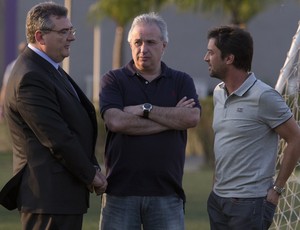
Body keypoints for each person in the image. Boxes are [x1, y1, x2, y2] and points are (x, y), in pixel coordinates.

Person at [3, 2, 107, 229]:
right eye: (63, 32)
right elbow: (57, 137)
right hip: (47, 199)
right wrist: (91, 175)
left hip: (59, 197)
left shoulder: (47, 68)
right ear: (40, 36)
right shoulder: (31, 76)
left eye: (71, 30)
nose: (71, 38)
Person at [99, 12, 201, 230]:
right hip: (120, 194)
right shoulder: (113, 79)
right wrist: (172, 118)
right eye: (137, 42)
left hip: (167, 193)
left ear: (164, 45)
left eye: (151, 42)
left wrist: (144, 109)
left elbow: (191, 117)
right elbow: (116, 122)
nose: (143, 49)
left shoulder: (181, 81)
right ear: (130, 44)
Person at [204, 25, 300, 230]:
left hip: (250, 204)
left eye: (211, 52)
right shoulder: (219, 93)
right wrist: (215, 188)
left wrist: (277, 190)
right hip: (218, 200)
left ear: (229, 59)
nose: (206, 58)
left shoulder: (263, 96)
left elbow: (296, 138)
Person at [0, 41, 26, 122]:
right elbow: (5, 87)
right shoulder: (12, 66)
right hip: (17, 103)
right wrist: (1, 106)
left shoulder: (12, 66)